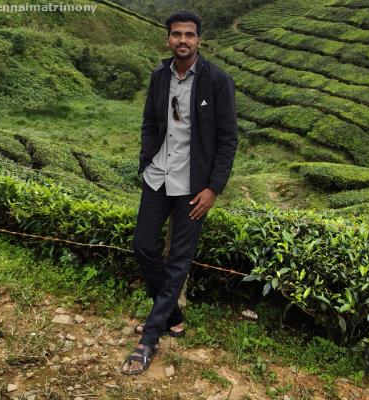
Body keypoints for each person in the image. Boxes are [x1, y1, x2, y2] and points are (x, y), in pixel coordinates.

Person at [122, 10, 238, 375]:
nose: (183, 40)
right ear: (168, 39)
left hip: (193, 187)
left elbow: (228, 139)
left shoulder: (217, 80)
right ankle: (172, 315)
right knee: (143, 245)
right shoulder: (160, 76)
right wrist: (146, 160)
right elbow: (149, 122)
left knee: (178, 261)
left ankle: (149, 338)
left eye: (189, 34)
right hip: (158, 176)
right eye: (176, 34)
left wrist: (213, 188)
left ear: (199, 40)